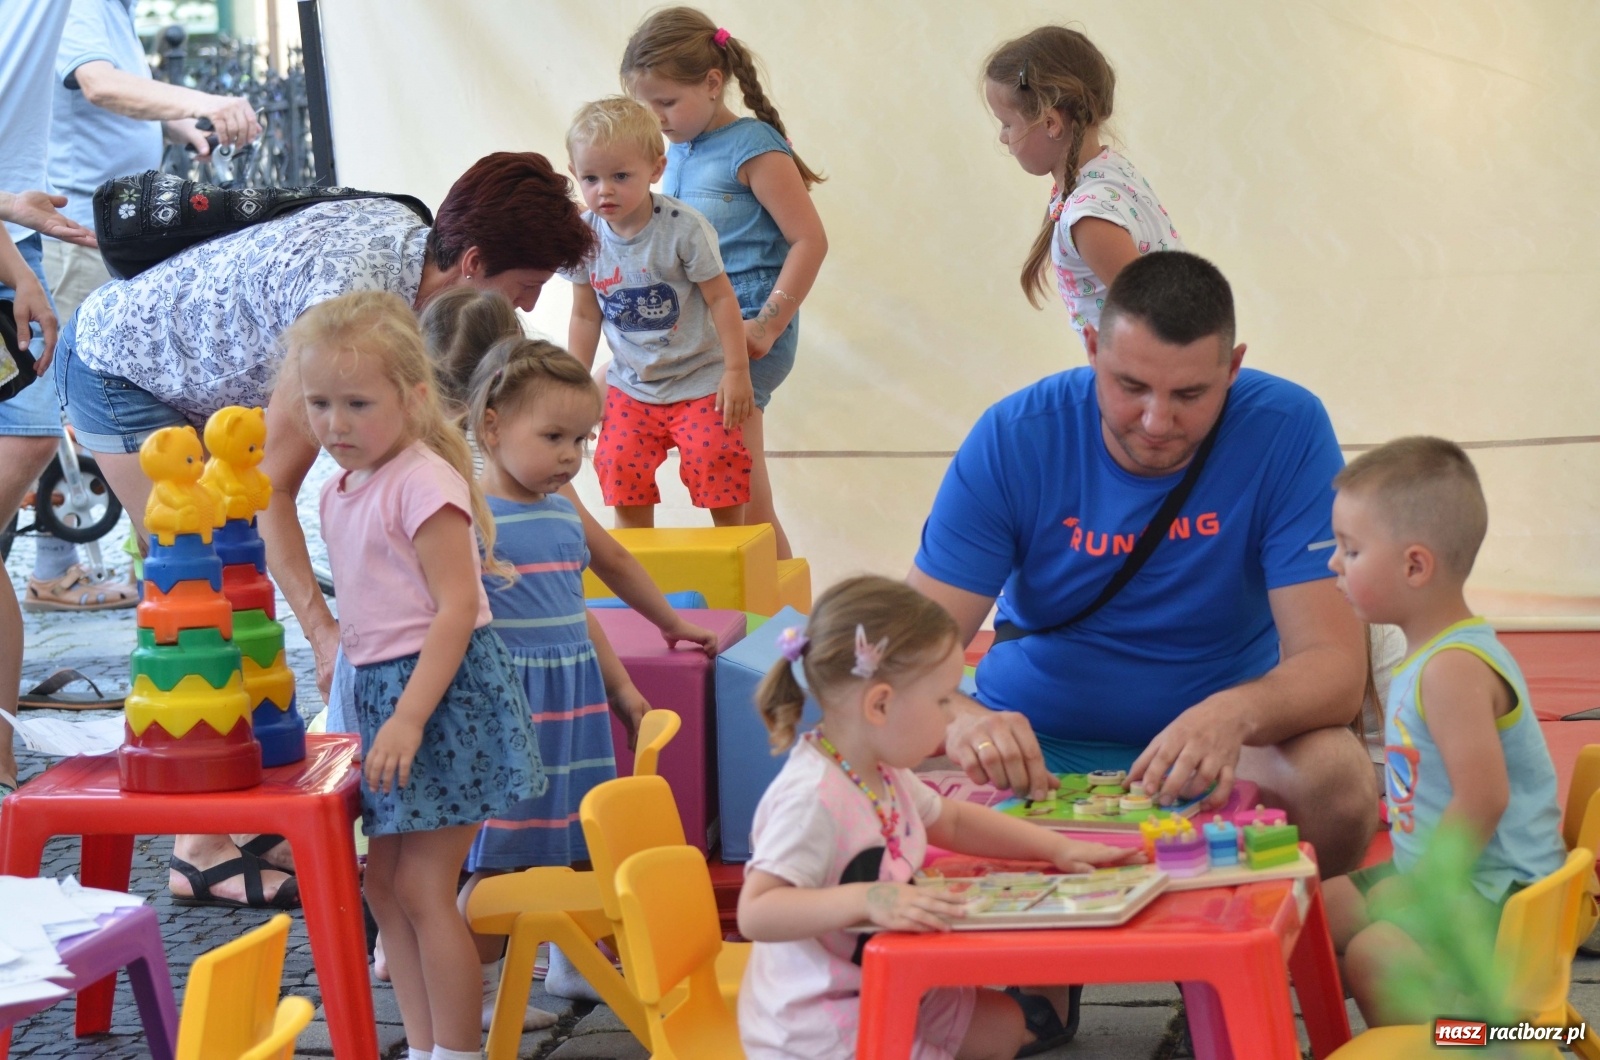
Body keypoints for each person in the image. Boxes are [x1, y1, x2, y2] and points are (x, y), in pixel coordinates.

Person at [57, 149, 592, 907]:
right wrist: (325, 631)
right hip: (122, 365)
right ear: (472, 261)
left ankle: (238, 807)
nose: (528, 311)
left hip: (203, 379)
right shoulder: (359, 292)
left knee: (231, 596)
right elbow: (269, 488)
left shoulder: (412, 249)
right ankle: (201, 849)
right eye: (526, 289)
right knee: (203, 590)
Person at [909, 251, 1377, 877]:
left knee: (1337, 781)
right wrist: (964, 719)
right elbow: (902, 657)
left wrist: (1230, 714)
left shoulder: (1285, 428)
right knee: (849, 771)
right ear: (1093, 348)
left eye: (1190, 394)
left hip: (1224, 748)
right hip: (1034, 745)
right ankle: (1022, 974)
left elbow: (1335, 667)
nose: (1158, 422)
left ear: (1233, 369)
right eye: (1131, 387)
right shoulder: (1015, 435)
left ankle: (1249, 953)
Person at [737, 575, 1140, 1059]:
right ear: (880, 704)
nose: (954, 715)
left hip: (897, 978)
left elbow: (953, 821)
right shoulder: (811, 799)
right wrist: (868, 897)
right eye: (944, 699)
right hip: (825, 1020)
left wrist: (1056, 847)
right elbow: (757, 912)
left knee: (1004, 1024)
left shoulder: (878, 770)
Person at [292, 291, 544, 1060]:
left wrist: (406, 717)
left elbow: (457, 609)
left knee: (426, 888)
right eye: (320, 404)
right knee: (383, 886)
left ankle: (459, 1053)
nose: (335, 424)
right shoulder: (340, 490)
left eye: (357, 403)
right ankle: (429, 1044)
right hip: (387, 698)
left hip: (442, 699)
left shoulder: (423, 480)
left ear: (413, 396)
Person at [1321, 437, 1564, 1026]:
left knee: (1378, 956)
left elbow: (1484, 799)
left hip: (1502, 892)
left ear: (1414, 565)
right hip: (1451, 868)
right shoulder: (1427, 654)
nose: (1333, 563)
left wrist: (1422, 890)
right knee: (1312, 911)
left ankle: (1451, 1042)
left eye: (1350, 550)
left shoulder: (1452, 669)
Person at [621, 7, 829, 560]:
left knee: (746, 503)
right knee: (736, 495)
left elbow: (810, 241)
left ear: (713, 84)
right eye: (647, 105)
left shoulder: (753, 145)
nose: (657, 117)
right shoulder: (674, 153)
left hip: (749, 329)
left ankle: (785, 636)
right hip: (695, 331)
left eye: (666, 102)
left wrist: (768, 323)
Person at [561, 96, 753, 530]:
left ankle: (733, 545)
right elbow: (585, 317)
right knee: (619, 462)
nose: (604, 190)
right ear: (575, 174)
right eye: (591, 178)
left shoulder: (683, 229)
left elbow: (722, 299)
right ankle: (637, 559)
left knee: (715, 458)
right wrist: (575, 385)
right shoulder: (585, 238)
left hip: (700, 379)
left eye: (620, 176)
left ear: (655, 170)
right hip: (631, 385)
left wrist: (736, 371)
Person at [981, 26, 1184, 341]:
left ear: (1050, 123)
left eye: (1007, 123)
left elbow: (1159, 322)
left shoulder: (1089, 219)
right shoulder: (1111, 168)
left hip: (1140, 378)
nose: (1002, 136)